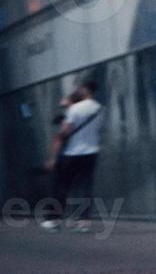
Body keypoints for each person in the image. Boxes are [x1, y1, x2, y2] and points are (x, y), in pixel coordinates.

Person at [40, 80, 103, 232]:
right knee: (86, 187)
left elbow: (63, 133)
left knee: (62, 186)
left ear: (84, 89)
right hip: (92, 151)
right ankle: (83, 222)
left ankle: (53, 220)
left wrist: (52, 157)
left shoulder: (75, 109)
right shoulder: (100, 109)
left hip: (73, 153)